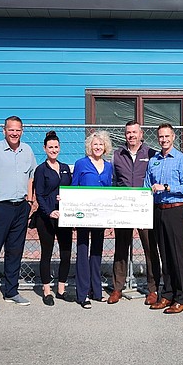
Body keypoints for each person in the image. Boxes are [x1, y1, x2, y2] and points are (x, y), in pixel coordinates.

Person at [0, 116, 37, 314]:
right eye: (11, 129)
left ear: (22, 131)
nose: (14, 133)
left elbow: (31, 176)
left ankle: (11, 291)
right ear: (4, 130)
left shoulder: (27, 151)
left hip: (20, 208)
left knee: (15, 252)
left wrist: (29, 201)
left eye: (18, 130)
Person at [108, 120, 161, 306]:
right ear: (125, 135)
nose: (131, 135)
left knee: (150, 249)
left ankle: (153, 289)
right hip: (123, 209)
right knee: (121, 249)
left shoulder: (152, 154)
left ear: (141, 134)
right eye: (128, 132)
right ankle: (117, 288)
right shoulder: (117, 155)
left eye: (134, 132)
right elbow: (113, 180)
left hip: (145, 208)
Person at [144, 124, 183, 314]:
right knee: (164, 254)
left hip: (175, 210)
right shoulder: (153, 160)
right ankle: (167, 294)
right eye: (160, 137)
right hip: (158, 210)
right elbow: (147, 185)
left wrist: (166, 187)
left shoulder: (182, 159)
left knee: (177, 255)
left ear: (173, 137)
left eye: (167, 136)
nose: (163, 140)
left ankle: (182, 298)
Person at [71, 130, 113, 309]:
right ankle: (82, 295)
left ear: (105, 147)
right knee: (82, 252)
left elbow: (110, 191)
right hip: (83, 214)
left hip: (101, 215)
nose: (98, 147)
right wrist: (70, 212)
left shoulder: (109, 166)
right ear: (90, 146)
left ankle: (96, 291)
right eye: (95, 144)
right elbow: (73, 187)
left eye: (101, 144)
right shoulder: (81, 164)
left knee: (96, 252)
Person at [33, 131, 73, 306]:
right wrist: (49, 211)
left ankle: (62, 289)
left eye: (56, 147)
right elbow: (39, 195)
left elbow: (71, 189)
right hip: (46, 218)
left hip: (63, 217)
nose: (54, 150)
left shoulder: (65, 167)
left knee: (66, 253)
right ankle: (47, 290)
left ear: (59, 148)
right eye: (50, 147)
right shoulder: (41, 170)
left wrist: (67, 200)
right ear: (44, 148)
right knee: (47, 254)